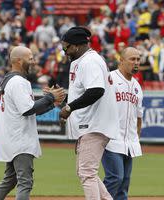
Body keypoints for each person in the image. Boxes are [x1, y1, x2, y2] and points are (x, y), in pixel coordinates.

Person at [0, 46, 66, 200]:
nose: (33, 61)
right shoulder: (18, 82)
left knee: (10, 180)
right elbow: (27, 110)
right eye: (30, 58)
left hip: (12, 137)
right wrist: (50, 97)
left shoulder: (11, 79)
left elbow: (31, 111)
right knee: (25, 182)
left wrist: (52, 103)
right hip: (19, 139)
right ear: (19, 60)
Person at [59, 26, 119, 200]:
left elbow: (96, 91)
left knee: (87, 173)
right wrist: (63, 100)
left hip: (95, 124)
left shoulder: (90, 61)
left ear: (76, 45)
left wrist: (69, 108)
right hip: (91, 123)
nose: (65, 51)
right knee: (85, 172)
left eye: (66, 47)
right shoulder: (82, 61)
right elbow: (82, 92)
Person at [102, 47, 143, 199]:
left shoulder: (137, 86)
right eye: (132, 59)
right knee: (115, 178)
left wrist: (136, 138)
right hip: (111, 139)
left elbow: (139, 117)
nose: (136, 62)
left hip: (129, 142)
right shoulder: (109, 79)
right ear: (121, 60)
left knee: (124, 183)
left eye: (138, 59)